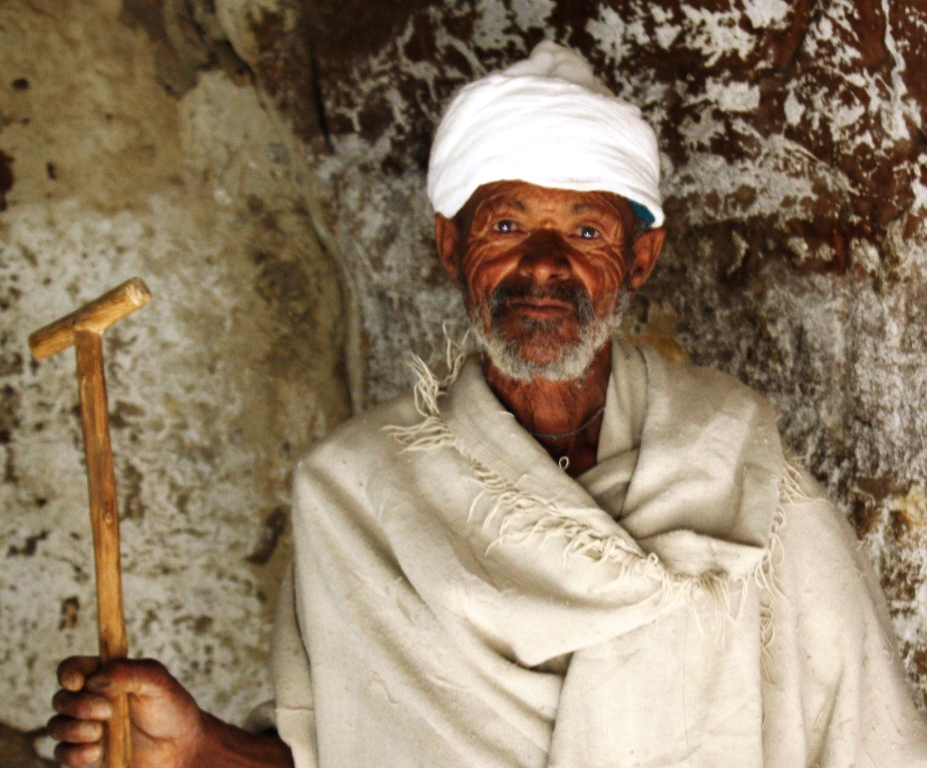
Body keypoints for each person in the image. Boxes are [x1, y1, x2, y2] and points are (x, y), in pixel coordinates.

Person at [48, 42, 927, 768]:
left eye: (585, 232)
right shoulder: (358, 493)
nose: (542, 267)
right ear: (449, 241)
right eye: (506, 227)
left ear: (642, 256)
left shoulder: (740, 468)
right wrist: (192, 745)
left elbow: (861, 736)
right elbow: (339, 753)